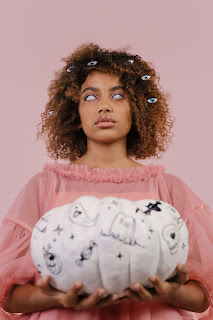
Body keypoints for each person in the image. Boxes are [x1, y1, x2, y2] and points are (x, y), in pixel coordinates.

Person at [0, 43, 212, 320]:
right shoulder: (45, 186)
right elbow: (9, 299)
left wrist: (169, 291)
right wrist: (58, 296)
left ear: (136, 109)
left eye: (118, 95)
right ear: (74, 112)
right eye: (90, 97)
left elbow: (203, 298)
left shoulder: (168, 188)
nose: (104, 106)